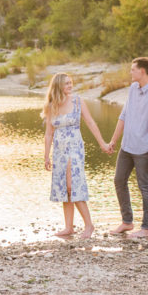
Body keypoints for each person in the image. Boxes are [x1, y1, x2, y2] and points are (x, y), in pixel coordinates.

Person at [43, 72, 113, 238]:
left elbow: (90, 122)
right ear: (59, 86)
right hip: (59, 149)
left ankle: (89, 225)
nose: (70, 85)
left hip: (74, 147)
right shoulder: (51, 106)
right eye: (66, 83)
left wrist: (102, 143)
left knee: (72, 185)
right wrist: (46, 156)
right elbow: (48, 134)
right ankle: (69, 227)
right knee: (64, 188)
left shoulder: (77, 101)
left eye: (70, 82)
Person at [107, 57, 148, 239]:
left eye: (133, 69)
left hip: (143, 150)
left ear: (142, 71)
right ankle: (127, 222)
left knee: (144, 187)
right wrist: (114, 141)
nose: (130, 72)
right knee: (119, 180)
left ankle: (146, 229)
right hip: (127, 146)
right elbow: (123, 116)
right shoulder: (132, 89)